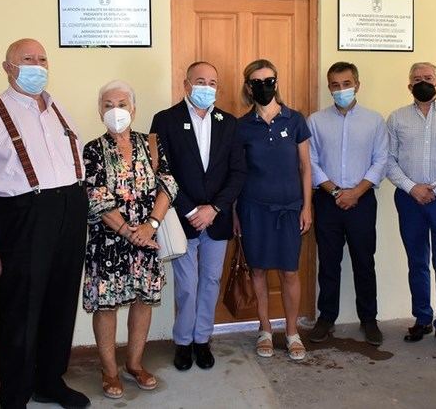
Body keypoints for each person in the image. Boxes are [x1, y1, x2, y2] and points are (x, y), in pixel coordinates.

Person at [0, 38, 89, 408]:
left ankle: (49, 381)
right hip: (21, 221)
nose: (37, 65)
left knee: (60, 306)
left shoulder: (58, 110)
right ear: (8, 67)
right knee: (18, 314)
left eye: (42, 58)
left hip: (68, 214)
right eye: (27, 59)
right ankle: (14, 395)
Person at [84, 80, 178, 399]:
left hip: (147, 238)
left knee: (143, 301)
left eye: (122, 104)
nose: (116, 111)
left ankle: (134, 365)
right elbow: (96, 198)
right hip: (109, 241)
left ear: (133, 109)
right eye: (108, 105)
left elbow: (168, 186)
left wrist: (150, 226)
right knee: (107, 305)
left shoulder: (151, 143)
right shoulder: (93, 150)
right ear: (100, 110)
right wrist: (129, 232)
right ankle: (109, 371)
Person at [150, 62, 246, 371]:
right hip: (182, 217)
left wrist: (214, 208)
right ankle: (183, 342)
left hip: (216, 218)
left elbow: (237, 172)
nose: (207, 86)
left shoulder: (229, 123)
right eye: (200, 81)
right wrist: (191, 209)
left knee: (211, 280)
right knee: (187, 284)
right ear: (186, 84)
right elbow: (162, 171)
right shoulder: (165, 120)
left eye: (213, 82)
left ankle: (202, 339)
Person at [234, 59, 312, 361]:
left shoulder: (295, 120)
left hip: (290, 209)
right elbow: (238, 174)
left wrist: (308, 207)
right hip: (254, 209)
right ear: (248, 87)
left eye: (269, 80)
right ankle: (265, 329)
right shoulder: (241, 126)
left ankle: (292, 332)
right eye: (256, 82)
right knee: (258, 271)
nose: (263, 86)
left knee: (290, 272)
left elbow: (306, 167)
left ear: (276, 83)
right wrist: (236, 213)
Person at [307, 62, 388, 346]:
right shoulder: (315, 121)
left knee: (364, 262)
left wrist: (355, 192)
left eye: (346, 83)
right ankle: (326, 318)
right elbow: (311, 162)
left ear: (357, 84)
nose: (341, 89)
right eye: (335, 85)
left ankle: (369, 319)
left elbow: (381, 161)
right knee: (328, 263)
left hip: (362, 201)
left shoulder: (374, 120)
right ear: (329, 87)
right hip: (328, 201)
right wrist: (335, 191)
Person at [387, 62, 436, 352]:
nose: (423, 82)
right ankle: (422, 318)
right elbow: (389, 160)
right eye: (416, 79)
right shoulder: (396, 119)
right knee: (417, 262)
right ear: (409, 86)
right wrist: (412, 188)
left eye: (428, 78)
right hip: (409, 199)